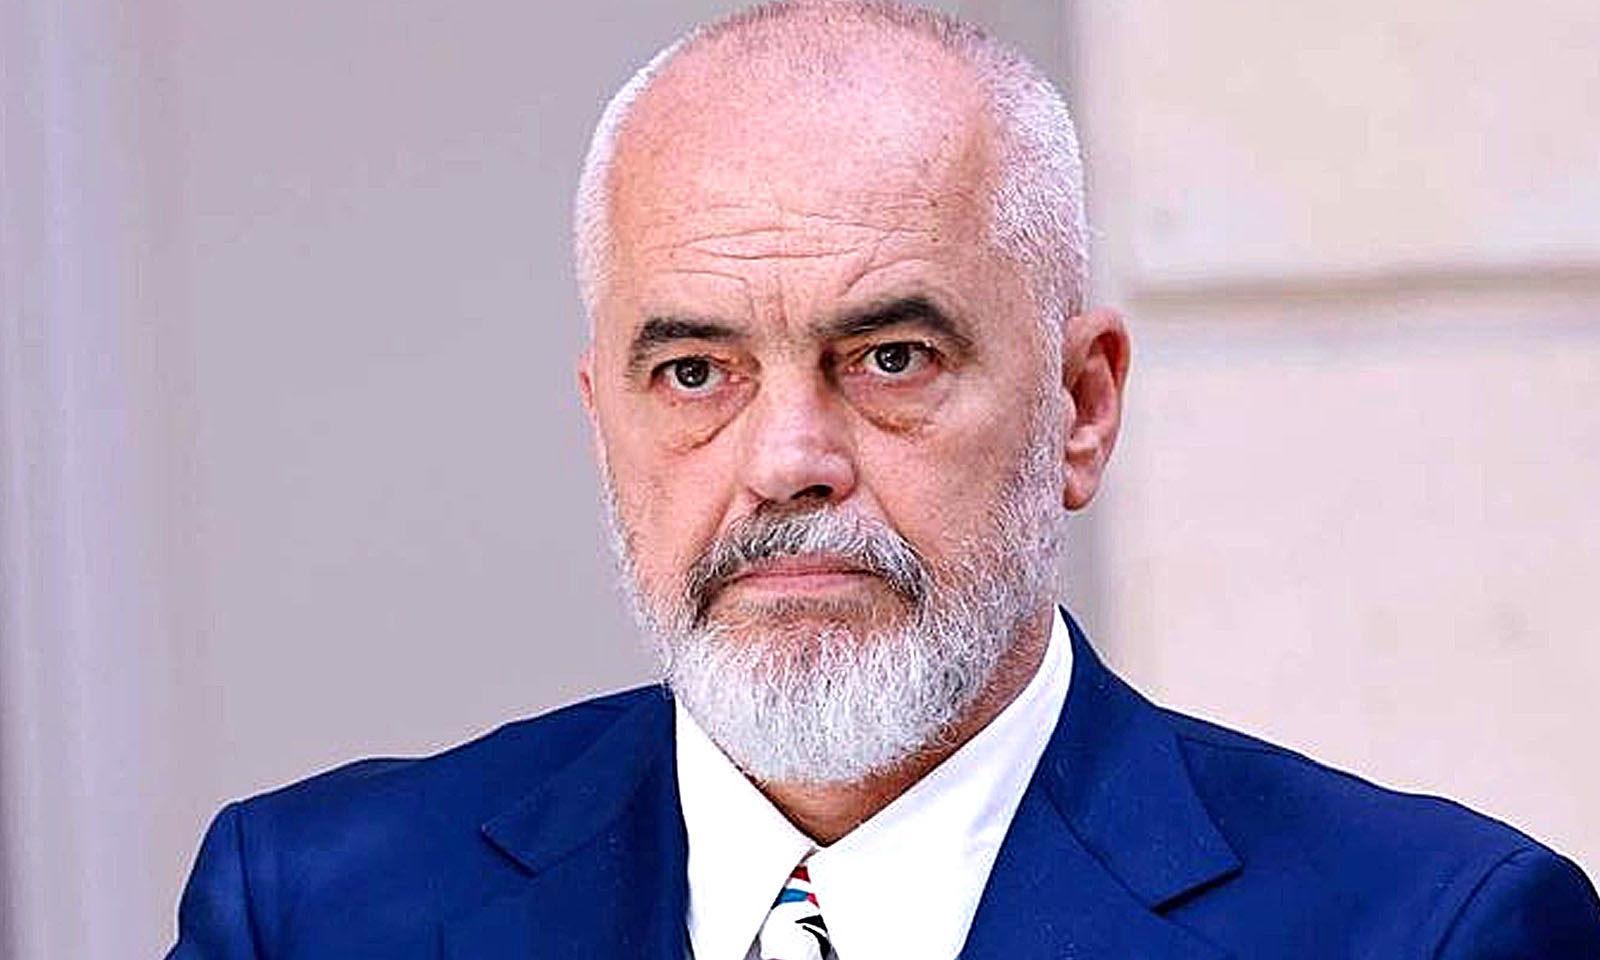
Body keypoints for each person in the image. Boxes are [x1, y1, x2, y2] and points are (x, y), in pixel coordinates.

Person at [168, 2, 1600, 957]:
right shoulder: (313, 913)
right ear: (602, 423)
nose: (788, 461)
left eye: (891, 357)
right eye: (696, 372)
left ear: (1081, 405)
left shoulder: (1427, 930)